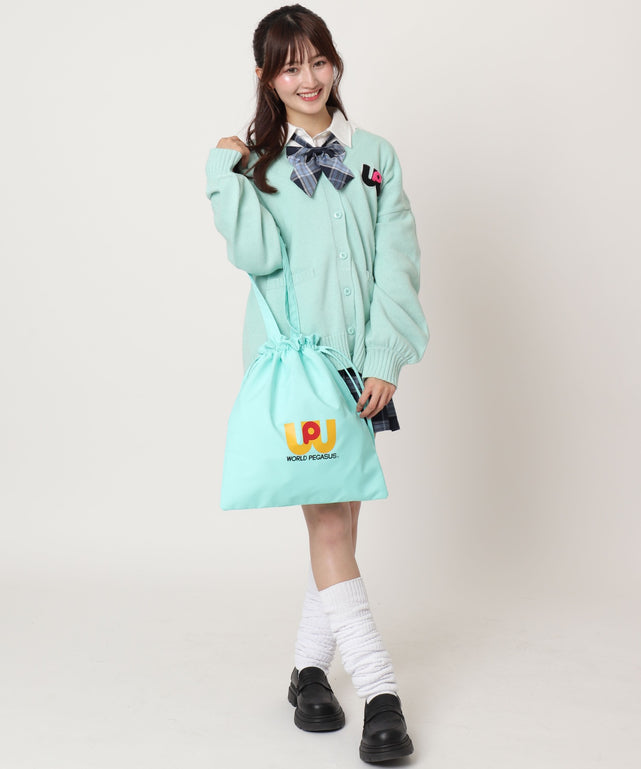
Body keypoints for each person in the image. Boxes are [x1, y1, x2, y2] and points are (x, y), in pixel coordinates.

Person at [205, 4, 428, 763]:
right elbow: (255, 255)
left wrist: (384, 359)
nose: (308, 78)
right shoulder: (259, 166)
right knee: (331, 525)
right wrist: (224, 171)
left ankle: (307, 674)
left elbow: (398, 263)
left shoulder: (375, 156)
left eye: (318, 60)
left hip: (361, 372)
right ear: (266, 78)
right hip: (300, 372)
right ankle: (381, 695)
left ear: (334, 63)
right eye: (289, 66)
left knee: (341, 526)